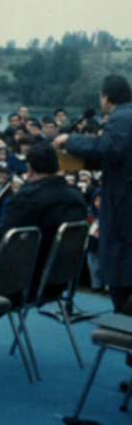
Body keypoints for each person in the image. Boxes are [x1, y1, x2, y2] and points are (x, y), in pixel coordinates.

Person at [54, 74, 132, 312]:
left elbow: (109, 146)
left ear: (106, 97)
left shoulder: (122, 117)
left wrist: (71, 140)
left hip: (124, 202)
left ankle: (124, 325)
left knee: (121, 263)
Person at [0, 142, 87, 295]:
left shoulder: (27, 197)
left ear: (29, 169)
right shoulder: (77, 197)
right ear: (58, 165)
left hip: (25, 279)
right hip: (60, 278)